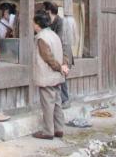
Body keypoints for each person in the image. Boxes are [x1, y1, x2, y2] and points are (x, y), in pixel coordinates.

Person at [32, 10, 68, 140]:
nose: (32, 25)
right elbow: (63, 52)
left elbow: (48, 58)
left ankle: (48, 131)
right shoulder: (54, 35)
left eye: (33, 22)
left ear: (37, 24)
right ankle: (59, 129)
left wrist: (59, 67)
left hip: (47, 76)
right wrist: (63, 67)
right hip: (57, 76)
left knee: (48, 104)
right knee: (57, 102)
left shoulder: (42, 37)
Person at [44, 1, 73, 107]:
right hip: (57, 51)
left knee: (63, 75)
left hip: (64, 52)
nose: (46, 15)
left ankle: (65, 100)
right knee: (58, 75)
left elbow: (59, 40)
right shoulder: (51, 22)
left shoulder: (62, 22)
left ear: (51, 12)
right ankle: (59, 100)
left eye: (47, 12)